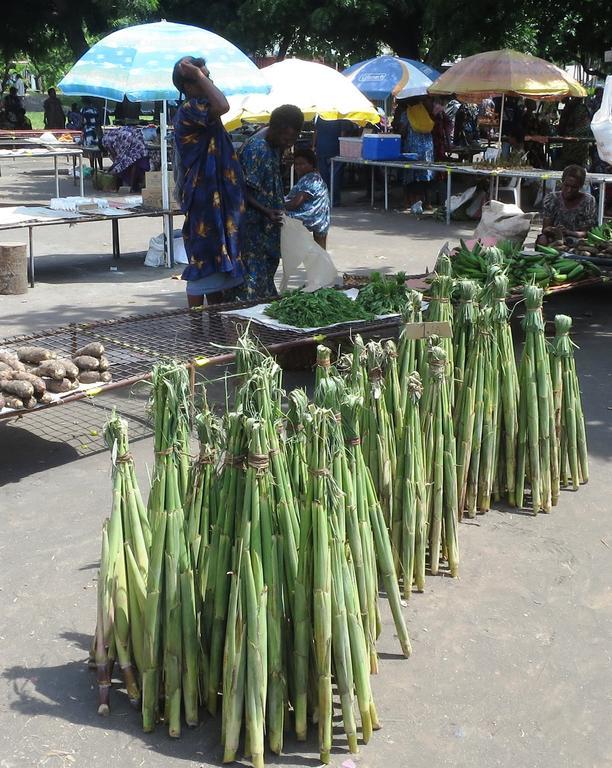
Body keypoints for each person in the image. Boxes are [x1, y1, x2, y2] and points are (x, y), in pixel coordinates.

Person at [172, 56, 245, 307]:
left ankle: (214, 323)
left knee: (219, 261)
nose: (208, 81)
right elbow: (223, 105)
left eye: (209, 75)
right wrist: (198, 75)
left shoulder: (203, 108)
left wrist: (199, 75)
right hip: (204, 197)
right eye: (201, 78)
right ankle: (195, 327)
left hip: (221, 197)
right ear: (188, 86)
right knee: (204, 258)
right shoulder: (189, 110)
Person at [237, 104, 304, 301]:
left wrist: (284, 166)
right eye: (286, 139)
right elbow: (242, 191)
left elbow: (269, 182)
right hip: (253, 227)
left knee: (266, 275)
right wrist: (266, 211)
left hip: (269, 227)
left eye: (292, 140)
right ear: (275, 129)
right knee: (253, 280)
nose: (288, 144)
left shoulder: (274, 145)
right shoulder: (258, 149)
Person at [536, 165, 597, 246]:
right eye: (566, 185)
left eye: (574, 187)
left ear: (581, 186)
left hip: (577, 240)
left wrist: (569, 232)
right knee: (542, 239)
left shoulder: (588, 201)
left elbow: (587, 233)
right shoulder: (551, 199)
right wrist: (553, 230)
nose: (569, 190)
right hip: (555, 238)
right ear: (562, 182)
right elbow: (545, 229)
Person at [285, 148, 330, 249]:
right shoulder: (314, 177)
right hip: (320, 218)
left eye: (302, 164)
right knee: (320, 251)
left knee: (276, 216)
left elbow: (295, 203)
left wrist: (276, 205)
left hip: (311, 216)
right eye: (296, 164)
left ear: (311, 165)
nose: (298, 167)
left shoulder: (311, 180)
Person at [398, 96, 435, 208]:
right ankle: (428, 202)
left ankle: (407, 201)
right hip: (427, 148)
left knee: (409, 173)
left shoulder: (407, 113)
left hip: (412, 147)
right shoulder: (426, 111)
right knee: (426, 173)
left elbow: (403, 132)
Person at [314, 117, 353, 206]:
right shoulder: (341, 116)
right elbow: (343, 133)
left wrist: (314, 146)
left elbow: (316, 132)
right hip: (335, 149)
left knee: (324, 176)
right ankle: (335, 201)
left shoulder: (321, 116)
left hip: (321, 148)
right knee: (335, 175)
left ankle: (324, 200)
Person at [101, 125, 150, 192]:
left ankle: (128, 186)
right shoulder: (110, 134)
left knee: (120, 167)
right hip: (138, 143)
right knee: (134, 164)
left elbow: (115, 155)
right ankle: (136, 185)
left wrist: (113, 167)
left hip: (131, 143)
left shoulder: (105, 141)